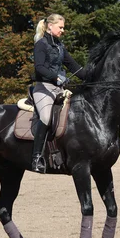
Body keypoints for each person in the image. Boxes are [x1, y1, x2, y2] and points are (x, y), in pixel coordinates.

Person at [31, 14, 86, 173]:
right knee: (46, 117)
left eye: (63, 27)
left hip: (59, 89)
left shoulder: (60, 46)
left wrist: (90, 76)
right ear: (50, 26)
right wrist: (55, 76)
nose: (63, 30)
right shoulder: (41, 44)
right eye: (60, 27)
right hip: (44, 88)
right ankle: (36, 158)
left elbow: (73, 66)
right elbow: (39, 68)